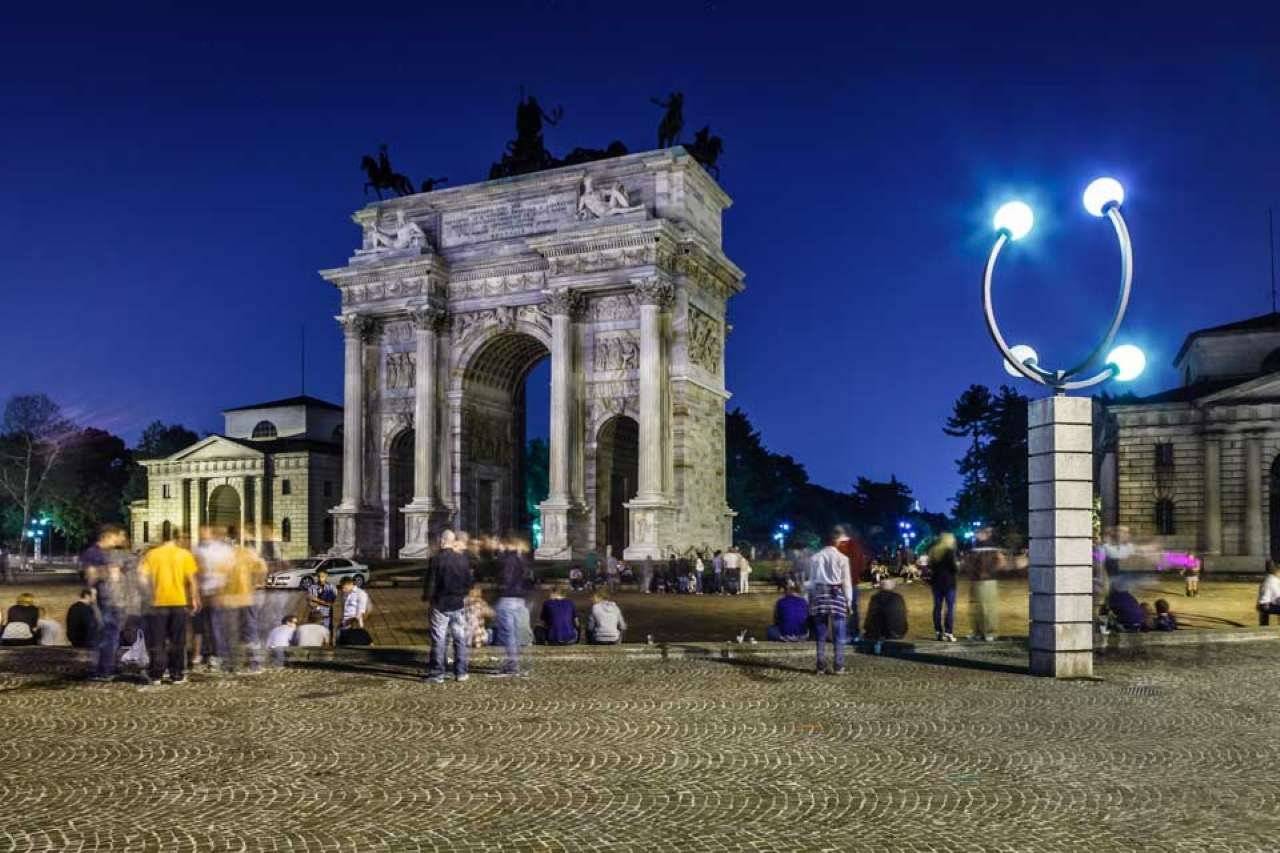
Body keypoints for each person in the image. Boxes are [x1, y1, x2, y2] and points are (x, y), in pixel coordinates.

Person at [137, 528, 200, 687]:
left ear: (161, 538)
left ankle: (156, 675)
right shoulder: (185, 555)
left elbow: (142, 577)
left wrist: (148, 594)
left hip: (157, 603)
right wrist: (194, 598)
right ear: (176, 538)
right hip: (179, 602)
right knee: (178, 641)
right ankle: (176, 675)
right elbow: (192, 580)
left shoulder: (152, 555)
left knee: (158, 640)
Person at [82, 524, 131, 680]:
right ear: (107, 536)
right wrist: (108, 571)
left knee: (112, 634)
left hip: (116, 598)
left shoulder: (113, 553)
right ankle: (105, 669)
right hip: (104, 598)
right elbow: (90, 576)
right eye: (116, 536)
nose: (119, 539)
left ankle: (108, 667)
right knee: (107, 634)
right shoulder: (93, 553)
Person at [424, 530, 474, 683]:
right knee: (459, 638)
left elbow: (431, 583)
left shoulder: (436, 560)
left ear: (441, 541)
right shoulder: (462, 559)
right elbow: (469, 582)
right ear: (453, 542)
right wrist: (462, 594)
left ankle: (438, 673)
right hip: (458, 603)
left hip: (440, 604)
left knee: (439, 639)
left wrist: (428, 597)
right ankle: (461, 672)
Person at [807, 527, 852, 674]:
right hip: (836, 595)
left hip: (820, 595)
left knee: (820, 633)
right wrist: (849, 602)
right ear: (836, 542)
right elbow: (846, 582)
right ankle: (838, 666)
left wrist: (811, 599)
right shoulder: (843, 559)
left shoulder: (815, 558)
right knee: (839, 633)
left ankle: (820, 665)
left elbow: (812, 582)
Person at [493, 536, 532, 676]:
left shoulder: (508, 559)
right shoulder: (521, 559)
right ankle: (516, 662)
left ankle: (512, 664)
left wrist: (499, 588)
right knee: (514, 632)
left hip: (508, 597)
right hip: (519, 598)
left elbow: (506, 578)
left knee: (508, 633)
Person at [964, 526, 1005, 641]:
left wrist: (989, 572)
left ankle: (990, 632)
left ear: (986, 534)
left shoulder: (992, 546)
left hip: (988, 582)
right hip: (975, 580)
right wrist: (970, 570)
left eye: (979, 533)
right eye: (976, 533)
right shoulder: (974, 546)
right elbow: (968, 561)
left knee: (988, 607)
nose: (976, 535)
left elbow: (1001, 561)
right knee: (975, 607)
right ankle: (977, 632)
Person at [836, 535, 869, 642]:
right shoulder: (857, 548)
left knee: (840, 608)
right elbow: (862, 565)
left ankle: (842, 633)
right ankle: (854, 633)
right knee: (853, 608)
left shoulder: (839, 549)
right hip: (853, 582)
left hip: (840, 583)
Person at [927, 533, 959, 642]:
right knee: (949, 608)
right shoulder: (950, 552)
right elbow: (953, 568)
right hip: (949, 583)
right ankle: (949, 632)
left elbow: (930, 566)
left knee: (937, 607)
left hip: (936, 582)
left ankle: (938, 632)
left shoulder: (933, 551)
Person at [864, 578, 909, 655]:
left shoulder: (876, 598)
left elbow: (871, 616)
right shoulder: (899, 597)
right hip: (899, 631)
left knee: (877, 618)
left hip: (884, 632)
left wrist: (867, 628)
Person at [337, 577, 372, 646]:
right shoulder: (344, 594)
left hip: (355, 624)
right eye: (342, 588)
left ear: (350, 584)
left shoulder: (361, 594)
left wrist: (356, 623)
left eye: (345, 588)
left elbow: (361, 612)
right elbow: (344, 608)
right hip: (345, 624)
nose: (343, 590)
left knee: (356, 643)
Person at [307, 567, 337, 633]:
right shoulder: (311, 587)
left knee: (327, 633)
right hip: (315, 616)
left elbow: (331, 603)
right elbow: (310, 603)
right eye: (318, 576)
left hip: (327, 616)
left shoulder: (332, 587)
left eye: (322, 576)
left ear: (326, 576)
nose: (320, 578)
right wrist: (322, 602)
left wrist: (316, 600)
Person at [1257, 560, 1280, 626]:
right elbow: (1277, 598)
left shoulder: (1267, 578)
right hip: (1266, 606)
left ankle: (1263, 625)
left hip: (1260, 605)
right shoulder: (1274, 580)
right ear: (1276, 571)